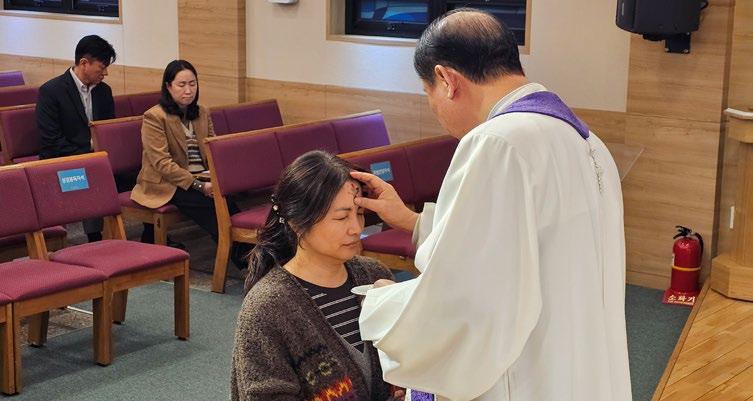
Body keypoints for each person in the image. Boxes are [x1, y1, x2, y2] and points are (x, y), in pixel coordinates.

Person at [354, 9, 632, 401]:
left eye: (428, 95)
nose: (436, 111)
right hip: (580, 366)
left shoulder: (496, 142)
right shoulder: (586, 140)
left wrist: (384, 303)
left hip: (530, 376)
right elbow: (527, 244)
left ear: (447, 80)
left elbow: (469, 300)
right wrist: (413, 220)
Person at [230, 151, 400, 401]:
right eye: (341, 217)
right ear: (297, 222)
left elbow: (408, 366)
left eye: (360, 213)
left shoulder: (374, 275)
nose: (356, 228)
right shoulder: (267, 307)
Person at [130, 59, 247, 266]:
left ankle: (250, 254)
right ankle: (244, 259)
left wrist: (217, 177)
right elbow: (162, 163)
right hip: (167, 182)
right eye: (181, 84)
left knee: (228, 201)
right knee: (213, 205)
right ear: (168, 86)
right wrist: (200, 185)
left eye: (192, 84)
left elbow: (213, 148)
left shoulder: (201, 112)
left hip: (201, 177)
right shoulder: (154, 116)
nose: (188, 90)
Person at [37, 34, 117, 242]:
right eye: (101, 68)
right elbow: (51, 141)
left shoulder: (104, 91)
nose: (105, 73)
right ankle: (94, 237)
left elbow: (109, 130)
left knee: (140, 176)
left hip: (97, 158)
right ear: (84, 63)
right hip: (63, 161)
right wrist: (87, 157)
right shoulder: (51, 91)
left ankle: (148, 233)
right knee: (89, 176)